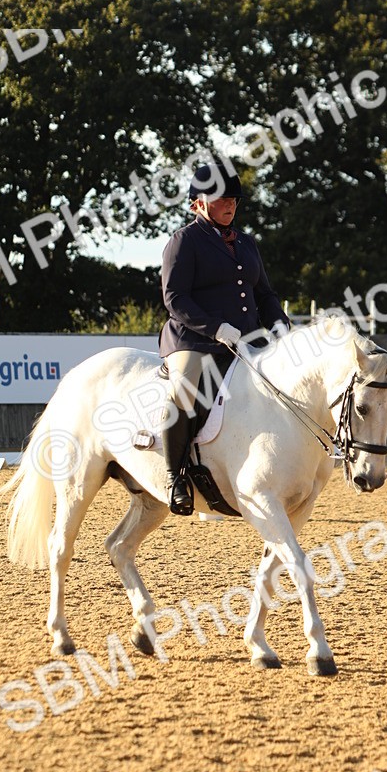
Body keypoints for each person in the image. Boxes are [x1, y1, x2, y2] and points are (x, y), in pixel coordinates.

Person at [158, 158, 291, 514]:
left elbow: (264, 293)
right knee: (184, 391)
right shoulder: (184, 241)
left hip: (246, 340)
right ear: (199, 203)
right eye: (222, 199)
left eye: (234, 200)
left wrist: (279, 323)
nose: (230, 205)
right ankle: (175, 477)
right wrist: (215, 327)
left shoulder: (246, 243)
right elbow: (175, 298)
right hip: (194, 340)